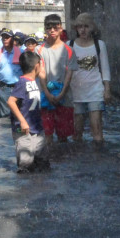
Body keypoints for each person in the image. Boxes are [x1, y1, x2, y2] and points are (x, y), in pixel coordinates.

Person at [65, 13, 112, 144]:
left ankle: (99, 157)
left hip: (95, 90)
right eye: (80, 27)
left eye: (86, 26)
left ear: (92, 28)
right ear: (76, 28)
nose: (83, 30)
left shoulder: (99, 45)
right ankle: (80, 158)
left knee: (97, 130)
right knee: (77, 132)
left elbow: (105, 68)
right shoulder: (70, 45)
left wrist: (107, 89)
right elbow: (65, 70)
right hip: (75, 91)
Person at [6, 51, 50, 173]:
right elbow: (10, 102)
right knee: (26, 166)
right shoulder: (22, 83)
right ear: (37, 66)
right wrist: (23, 121)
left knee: (43, 163)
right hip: (23, 131)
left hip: (37, 129)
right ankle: (25, 190)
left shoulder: (33, 82)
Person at [37, 14, 75, 144]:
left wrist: (62, 94)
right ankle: (49, 161)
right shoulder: (39, 49)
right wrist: (47, 94)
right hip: (44, 98)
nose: (52, 30)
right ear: (45, 29)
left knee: (63, 136)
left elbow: (69, 75)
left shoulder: (69, 50)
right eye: (49, 28)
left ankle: (63, 162)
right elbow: (41, 72)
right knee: (47, 135)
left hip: (65, 99)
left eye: (55, 27)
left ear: (61, 29)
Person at [0, 30, 22, 119]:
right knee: (5, 116)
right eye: (3, 38)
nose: (5, 39)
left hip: (18, 87)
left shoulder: (21, 52)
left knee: (18, 115)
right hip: (3, 88)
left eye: (7, 37)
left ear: (12, 39)